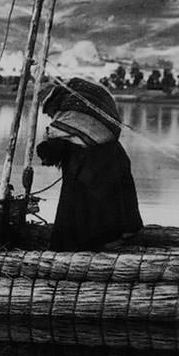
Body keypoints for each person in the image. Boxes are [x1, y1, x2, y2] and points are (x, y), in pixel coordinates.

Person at [36, 78, 143, 251]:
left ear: (52, 104)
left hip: (91, 171)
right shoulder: (84, 108)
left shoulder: (69, 117)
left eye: (48, 112)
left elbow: (53, 150)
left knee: (85, 210)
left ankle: (90, 244)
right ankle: (113, 238)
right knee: (111, 207)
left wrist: (45, 146)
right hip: (114, 161)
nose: (49, 116)